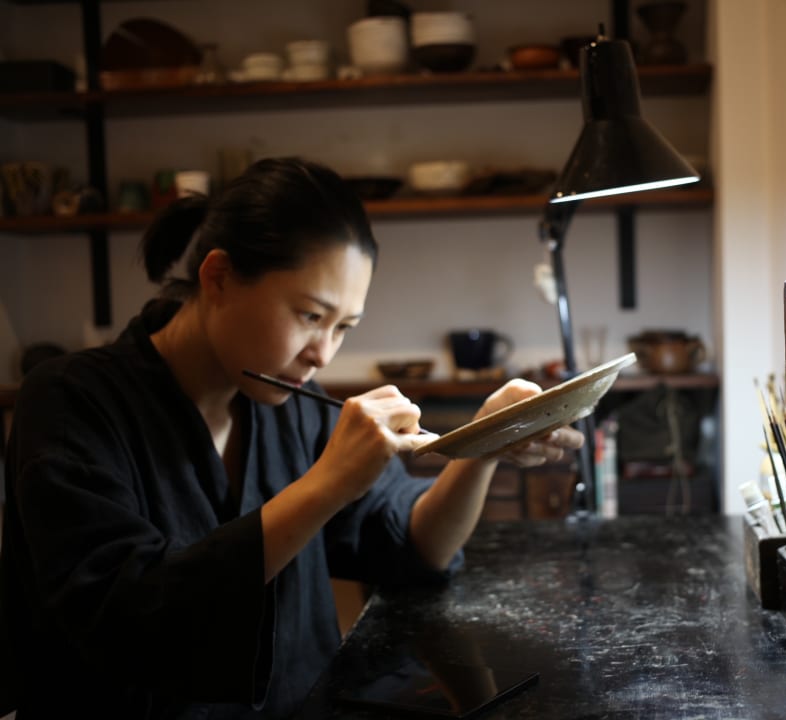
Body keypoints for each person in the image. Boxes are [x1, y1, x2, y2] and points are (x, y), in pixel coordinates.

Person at [0, 157, 583, 718]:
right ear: (219, 278)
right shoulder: (69, 401)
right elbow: (125, 618)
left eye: (344, 328)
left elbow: (416, 546)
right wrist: (327, 485)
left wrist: (481, 447)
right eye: (309, 315)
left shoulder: (293, 409)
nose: (323, 352)